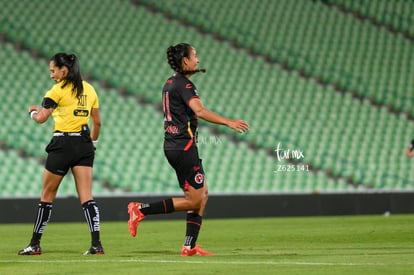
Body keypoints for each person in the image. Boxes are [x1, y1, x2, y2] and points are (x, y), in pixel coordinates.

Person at [128, 43, 249, 256]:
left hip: (176, 146)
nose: (198, 60)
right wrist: (228, 122)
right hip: (183, 147)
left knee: (202, 194)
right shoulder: (184, 85)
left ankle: (189, 246)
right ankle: (140, 209)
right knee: (195, 199)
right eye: (195, 55)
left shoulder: (170, 83)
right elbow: (199, 111)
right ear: (185, 61)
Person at [18, 53, 103, 255]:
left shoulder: (57, 90)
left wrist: (32, 111)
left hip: (62, 144)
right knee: (86, 196)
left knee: (47, 195)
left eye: (53, 70)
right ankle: (96, 245)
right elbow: (97, 122)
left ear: (63, 70)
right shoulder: (89, 89)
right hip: (84, 144)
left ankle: (35, 244)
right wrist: (92, 144)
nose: (51, 75)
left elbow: (41, 118)